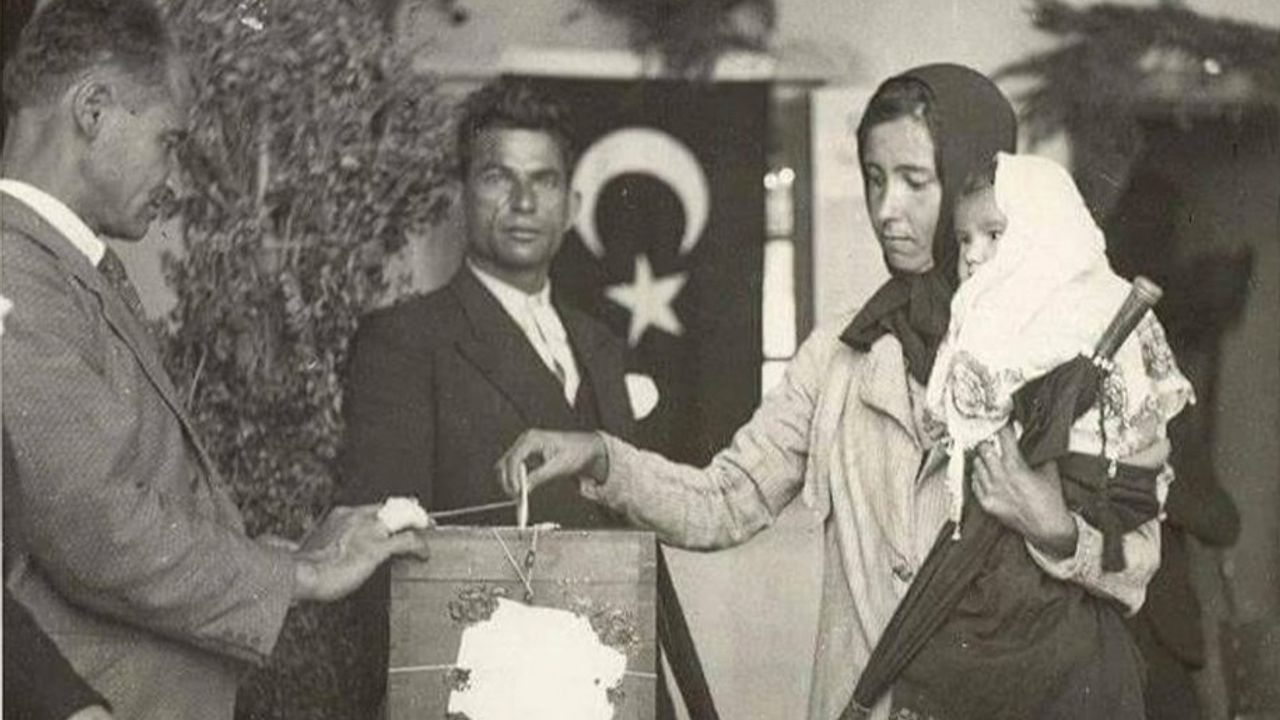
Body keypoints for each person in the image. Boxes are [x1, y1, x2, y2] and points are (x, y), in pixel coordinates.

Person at [496, 64, 1165, 720]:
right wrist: (603, 458)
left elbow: (1136, 561)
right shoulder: (843, 350)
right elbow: (726, 500)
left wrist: (1053, 528)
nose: (886, 209)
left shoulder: (1071, 343)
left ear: (975, 178)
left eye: (915, 181)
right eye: (874, 178)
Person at [0, 2, 429, 719]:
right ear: (93, 110)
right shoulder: (15, 270)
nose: (172, 177)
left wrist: (283, 556)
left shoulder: (59, 266)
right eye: (167, 141)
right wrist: (299, 573)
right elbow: (95, 529)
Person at [338, 79, 637, 713]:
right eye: (499, 177)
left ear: (573, 204)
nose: (524, 202)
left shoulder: (601, 344)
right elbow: (381, 564)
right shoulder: (406, 340)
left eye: (544, 180)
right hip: (477, 695)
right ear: (462, 196)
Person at [872, 151, 1193, 719]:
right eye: (964, 240)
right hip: (969, 631)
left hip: (1069, 650)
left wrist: (1056, 527)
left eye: (994, 235)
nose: (974, 255)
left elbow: (1137, 555)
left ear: (1046, 233)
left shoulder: (1102, 333)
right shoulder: (964, 349)